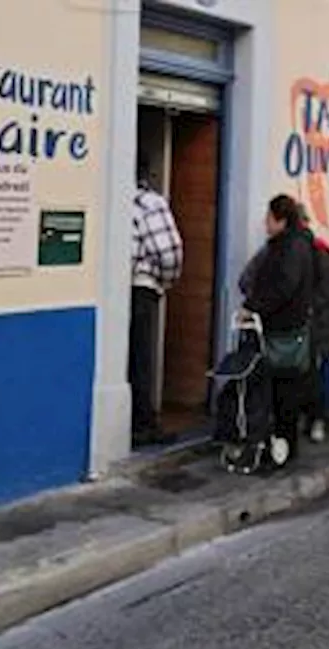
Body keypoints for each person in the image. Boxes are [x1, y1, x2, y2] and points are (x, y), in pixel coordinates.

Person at [243, 194, 314, 463]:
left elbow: (284, 286)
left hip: (285, 330)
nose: (265, 223)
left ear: (281, 220)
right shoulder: (288, 245)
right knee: (279, 392)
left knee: (284, 394)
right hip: (282, 326)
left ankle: (283, 448)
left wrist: (256, 306)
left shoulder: (291, 248)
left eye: (269, 218)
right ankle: (279, 445)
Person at [130, 160, 184, 445]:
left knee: (127, 356)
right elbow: (170, 252)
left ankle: (134, 421)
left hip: (118, 289)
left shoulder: (115, 198)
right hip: (142, 286)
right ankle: (143, 424)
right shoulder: (149, 202)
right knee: (142, 358)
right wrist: (166, 281)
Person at [301, 205, 329, 444]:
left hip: (315, 325)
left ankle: (317, 419)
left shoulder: (319, 252)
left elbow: (325, 292)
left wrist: (307, 309)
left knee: (312, 375)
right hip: (300, 323)